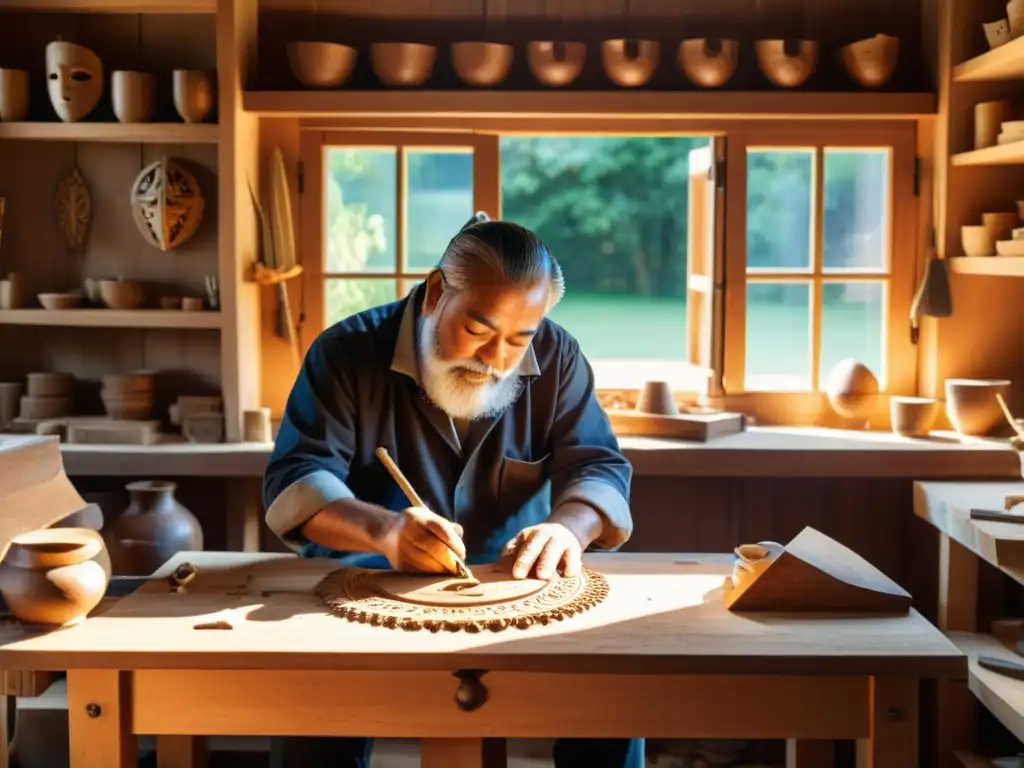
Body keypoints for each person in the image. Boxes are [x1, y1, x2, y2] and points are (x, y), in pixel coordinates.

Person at [263, 213, 642, 768]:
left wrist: (570, 528)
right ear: (437, 292)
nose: (495, 360)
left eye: (519, 338)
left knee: (610, 704)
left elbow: (598, 466)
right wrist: (384, 530)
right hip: (362, 591)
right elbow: (295, 477)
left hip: (518, 592)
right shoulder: (345, 353)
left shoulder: (558, 357)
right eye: (479, 330)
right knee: (313, 722)